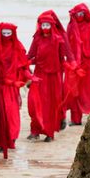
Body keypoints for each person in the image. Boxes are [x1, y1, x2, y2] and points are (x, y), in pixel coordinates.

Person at [27, 11, 76, 142]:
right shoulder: (37, 39)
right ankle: (35, 130)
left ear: (52, 25)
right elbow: (30, 55)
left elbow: (65, 56)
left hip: (54, 76)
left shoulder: (59, 39)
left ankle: (49, 132)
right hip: (39, 75)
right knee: (35, 102)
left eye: (47, 25)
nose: (44, 28)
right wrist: (21, 63)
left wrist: (71, 66)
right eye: (42, 25)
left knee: (51, 104)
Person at [0, 23, 30, 150]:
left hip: (13, 85)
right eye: (4, 33)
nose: (6, 36)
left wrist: (28, 77)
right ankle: (2, 140)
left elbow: (24, 64)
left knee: (11, 112)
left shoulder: (17, 46)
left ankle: (12, 137)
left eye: (9, 33)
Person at [65, 3, 90, 125]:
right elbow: (67, 46)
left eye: (82, 13)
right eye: (78, 14)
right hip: (75, 64)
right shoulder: (71, 27)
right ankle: (76, 119)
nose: (80, 16)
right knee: (74, 91)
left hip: (87, 62)